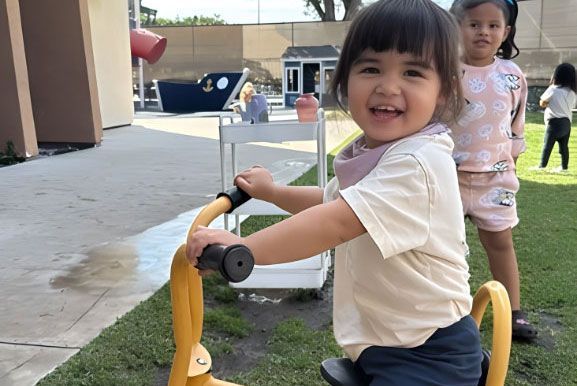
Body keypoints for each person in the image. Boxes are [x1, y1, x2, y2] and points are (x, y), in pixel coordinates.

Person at [187, 0, 482, 384]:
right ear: (344, 81)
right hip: (387, 342)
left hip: (427, 355)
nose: (387, 86)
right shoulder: (378, 151)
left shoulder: (418, 163)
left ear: (443, 91)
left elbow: (337, 223)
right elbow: (333, 202)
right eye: (371, 68)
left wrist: (244, 250)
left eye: (412, 72)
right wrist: (274, 192)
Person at [450, 0, 538, 340]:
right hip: (450, 177)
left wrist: (511, 163)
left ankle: (513, 312)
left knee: (501, 244)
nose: (482, 32)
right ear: (456, 27)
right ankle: (447, 314)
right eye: (473, 24)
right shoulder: (443, 70)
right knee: (445, 247)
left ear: (506, 32)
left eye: (492, 25)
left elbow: (516, 127)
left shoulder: (513, 76)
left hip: (496, 180)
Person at [536, 63, 577, 172]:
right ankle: (564, 167)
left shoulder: (553, 89)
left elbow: (542, 102)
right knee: (564, 147)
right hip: (567, 123)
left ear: (556, 75)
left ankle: (542, 166)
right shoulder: (572, 92)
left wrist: (546, 104)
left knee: (547, 145)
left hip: (554, 123)